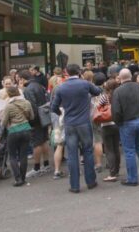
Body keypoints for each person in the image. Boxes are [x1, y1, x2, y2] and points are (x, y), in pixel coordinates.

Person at [51, 64, 102, 193]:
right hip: (84, 122)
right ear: (79, 72)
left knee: (72, 154)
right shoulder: (84, 84)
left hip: (69, 124)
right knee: (87, 151)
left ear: (66, 72)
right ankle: (91, 181)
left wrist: (62, 113)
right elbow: (97, 91)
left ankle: (74, 185)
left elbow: (53, 107)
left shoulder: (61, 88)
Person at [112, 69, 139, 186]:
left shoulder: (118, 91)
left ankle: (132, 178)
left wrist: (118, 122)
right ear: (131, 76)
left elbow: (116, 111)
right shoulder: (138, 87)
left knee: (129, 151)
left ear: (120, 78)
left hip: (127, 122)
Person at [19, 70, 51, 177]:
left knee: (36, 143)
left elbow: (31, 106)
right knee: (44, 140)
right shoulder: (39, 85)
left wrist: (31, 119)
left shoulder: (28, 89)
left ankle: (37, 168)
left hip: (35, 119)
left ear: (23, 79)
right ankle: (46, 164)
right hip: (44, 116)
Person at [0, 86, 34, 186]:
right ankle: (23, 178)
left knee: (13, 156)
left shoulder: (8, 106)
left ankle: (18, 179)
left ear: (8, 94)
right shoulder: (26, 102)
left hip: (13, 131)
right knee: (23, 155)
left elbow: (3, 122)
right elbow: (31, 117)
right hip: (26, 130)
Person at [97, 79, 121, 182]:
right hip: (117, 124)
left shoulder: (104, 97)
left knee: (109, 149)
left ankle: (112, 173)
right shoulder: (119, 95)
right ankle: (117, 169)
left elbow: (97, 107)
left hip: (106, 124)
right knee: (116, 148)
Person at [49, 73, 66, 180]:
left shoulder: (53, 91)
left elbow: (52, 106)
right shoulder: (61, 89)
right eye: (60, 80)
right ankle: (75, 170)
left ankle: (57, 170)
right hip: (64, 116)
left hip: (56, 118)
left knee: (59, 145)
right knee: (72, 144)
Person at [91, 72, 106, 173]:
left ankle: (99, 163)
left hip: (95, 116)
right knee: (108, 141)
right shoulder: (106, 91)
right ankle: (111, 162)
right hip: (107, 116)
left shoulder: (91, 91)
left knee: (97, 140)